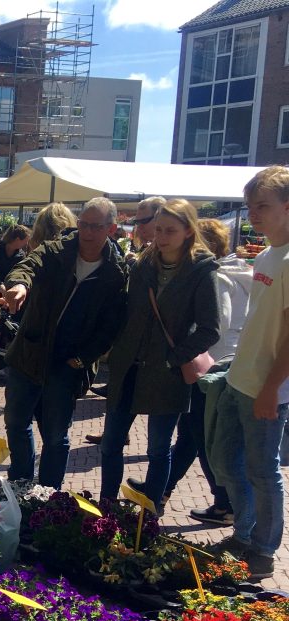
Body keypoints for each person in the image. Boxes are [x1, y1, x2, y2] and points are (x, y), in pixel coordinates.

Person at [98, 199, 221, 509]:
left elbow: (210, 329)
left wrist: (173, 358)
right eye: (159, 229)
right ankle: (106, 506)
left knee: (158, 448)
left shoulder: (201, 271)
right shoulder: (142, 264)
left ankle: (149, 513)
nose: (161, 237)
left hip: (166, 372)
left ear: (188, 232)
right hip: (129, 367)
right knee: (111, 443)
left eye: (170, 231)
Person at [2, 197, 127, 488]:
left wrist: (83, 358)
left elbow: (111, 326)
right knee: (16, 423)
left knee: (56, 435)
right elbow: (28, 265)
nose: (87, 232)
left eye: (95, 227)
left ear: (111, 228)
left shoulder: (115, 272)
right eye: (83, 224)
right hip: (29, 353)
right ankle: (20, 483)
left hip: (67, 364)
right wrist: (19, 285)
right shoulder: (56, 249)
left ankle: (47, 495)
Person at [207, 165, 289, 581]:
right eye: (250, 205)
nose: (253, 213)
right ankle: (243, 533)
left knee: (262, 469)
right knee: (225, 461)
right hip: (240, 378)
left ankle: (263, 548)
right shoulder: (267, 255)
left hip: (267, 387)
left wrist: (272, 389)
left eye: (263, 206)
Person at [164, 217, 250, 524]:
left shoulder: (216, 276)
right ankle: (161, 489)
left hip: (210, 366)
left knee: (202, 437)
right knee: (191, 434)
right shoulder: (245, 271)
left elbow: (217, 323)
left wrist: (183, 336)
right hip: (230, 361)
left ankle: (226, 504)